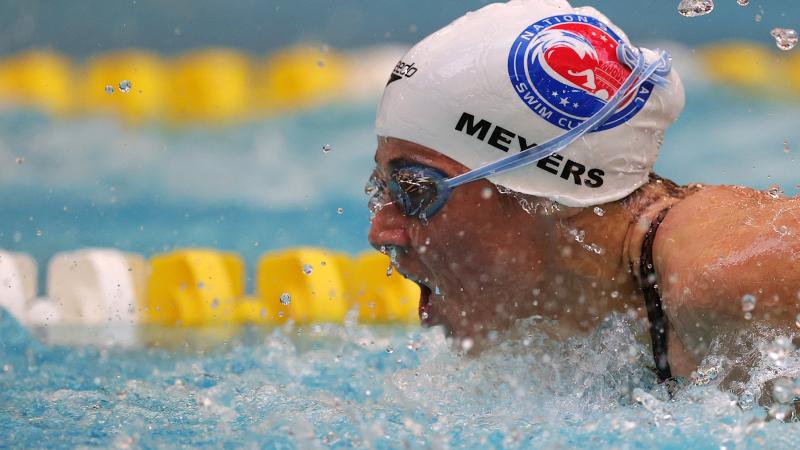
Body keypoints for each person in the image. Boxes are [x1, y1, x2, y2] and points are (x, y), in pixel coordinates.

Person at [365, 0, 800, 385]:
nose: (380, 230)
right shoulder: (563, 333)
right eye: (381, 188)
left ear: (546, 194)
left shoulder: (730, 277)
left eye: (415, 191)